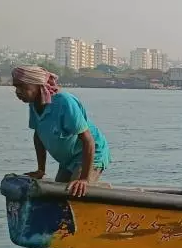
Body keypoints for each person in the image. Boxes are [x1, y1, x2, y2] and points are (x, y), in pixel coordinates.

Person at [12, 65, 111, 197]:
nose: (18, 92)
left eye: (22, 87)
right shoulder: (34, 104)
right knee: (56, 195)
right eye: (16, 87)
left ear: (38, 86)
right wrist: (41, 169)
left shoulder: (64, 102)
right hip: (68, 159)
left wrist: (84, 179)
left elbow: (88, 141)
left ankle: (94, 186)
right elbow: (39, 135)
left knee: (75, 192)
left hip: (90, 154)